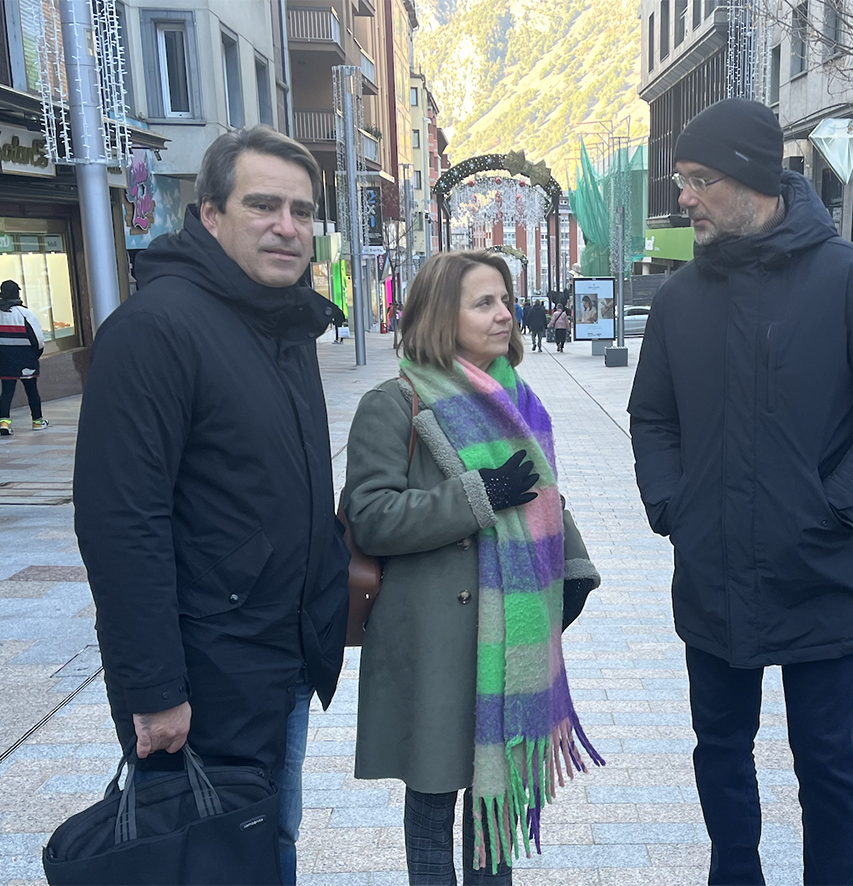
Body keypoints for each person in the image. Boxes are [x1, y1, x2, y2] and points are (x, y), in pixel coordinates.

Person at [627, 97, 853, 886]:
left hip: (826, 574)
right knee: (721, 751)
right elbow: (652, 418)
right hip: (714, 570)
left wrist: (834, 503)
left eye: (700, 180)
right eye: (681, 179)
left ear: (754, 180)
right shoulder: (677, 301)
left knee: (827, 761)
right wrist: (674, 507)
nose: (685, 197)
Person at [72, 126, 350, 886]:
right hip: (204, 675)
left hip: (276, 655)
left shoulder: (280, 324)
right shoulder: (157, 330)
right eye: (263, 204)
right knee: (208, 860)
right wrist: (155, 690)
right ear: (211, 216)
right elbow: (120, 523)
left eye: (301, 210)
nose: (287, 226)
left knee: (264, 841)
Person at [343, 250, 601, 885]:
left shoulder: (520, 400)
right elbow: (371, 516)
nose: (504, 314)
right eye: (483, 303)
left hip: (508, 635)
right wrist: (477, 495)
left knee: (495, 811)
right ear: (439, 315)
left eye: (505, 300)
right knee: (432, 810)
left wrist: (572, 570)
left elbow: (541, 500)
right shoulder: (394, 403)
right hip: (434, 640)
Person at [0, 280, 46, 434]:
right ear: (17, 293)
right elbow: (38, 339)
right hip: (26, 359)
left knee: (6, 391)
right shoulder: (24, 313)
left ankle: (4, 423)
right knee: (31, 390)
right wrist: (35, 356)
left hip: (4, 360)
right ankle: (37, 421)